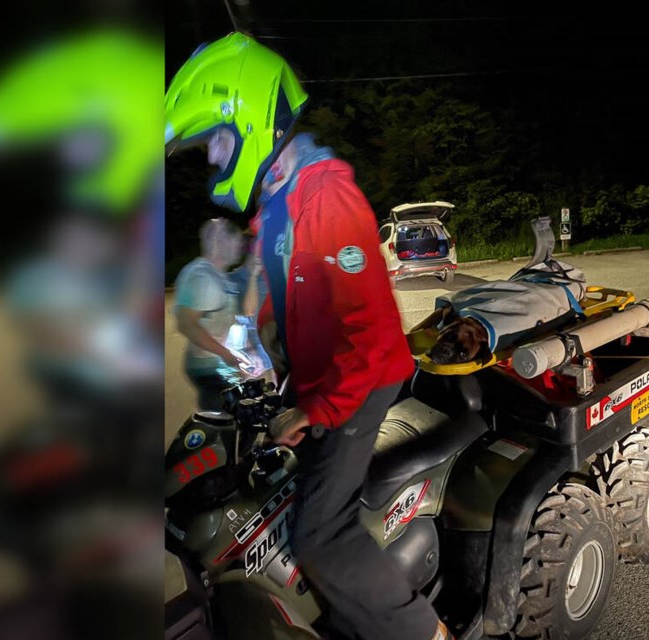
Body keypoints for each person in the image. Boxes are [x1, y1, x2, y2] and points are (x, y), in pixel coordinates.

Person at [165, 32, 451, 640]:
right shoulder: (276, 205)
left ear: (254, 124)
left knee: (319, 532)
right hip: (323, 381)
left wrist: (316, 408)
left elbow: (369, 339)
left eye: (216, 142)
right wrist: (262, 371)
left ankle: (423, 631)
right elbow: (278, 308)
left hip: (365, 380)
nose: (213, 160)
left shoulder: (327, 199)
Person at [173, 217, 249, 410]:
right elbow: (186, 324)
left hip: (212, 364)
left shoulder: (212, 274)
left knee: (225, 417)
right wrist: (226, 355)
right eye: (236, 242)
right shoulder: (203, 278)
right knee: (222, 422)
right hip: (209, 367)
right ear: (219, 242)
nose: (240, 248)